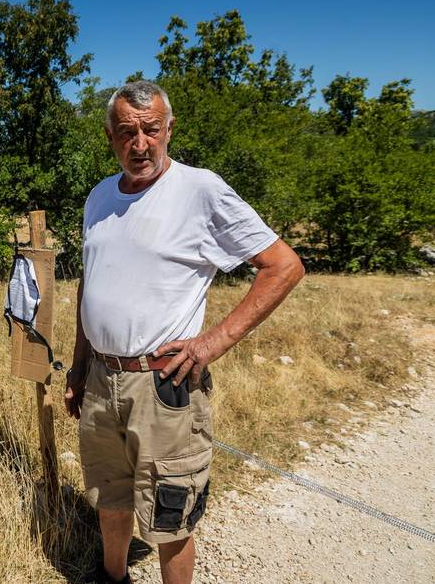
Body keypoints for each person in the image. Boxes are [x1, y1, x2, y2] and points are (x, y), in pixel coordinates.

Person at [64, 80, 305, 584]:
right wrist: (80, 364)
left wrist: (211, 343)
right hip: (100, 381)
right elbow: (92, 284)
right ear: (110, 136)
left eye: (151, 130)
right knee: (110, 499)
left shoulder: (200, 190)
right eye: (127, 132)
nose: (140, 144)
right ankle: (113, 577)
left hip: (162, 385)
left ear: (168, 129)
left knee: (171, 515)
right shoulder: (99, 198)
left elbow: (282, 266)